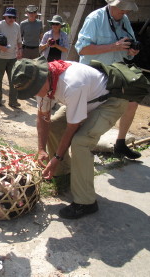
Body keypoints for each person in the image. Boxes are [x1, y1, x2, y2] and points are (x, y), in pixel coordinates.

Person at [11, 56, 131, 219]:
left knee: (81, 142)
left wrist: (57, 157)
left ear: (42, 77)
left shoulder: (71, 84)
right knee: (54, 126)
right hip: (88, 99)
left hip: (110, 102)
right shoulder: (42, 81)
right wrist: (41, 150)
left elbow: (73, 127)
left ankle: (86, 202)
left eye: (35, 90)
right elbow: (43, 117)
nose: (36, 95)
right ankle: (62, 173)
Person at [75, 0, 141, 160]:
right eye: (122, 8)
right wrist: (113, 46)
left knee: (132, 103)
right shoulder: (95, 18)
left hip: (116, 71)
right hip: (93, 72)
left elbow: (127, 48)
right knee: (90, 110)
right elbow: (82, 49)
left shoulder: (124, 20)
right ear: (112, 3)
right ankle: (81, 148)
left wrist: (131, 51)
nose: (124, 12)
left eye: (127, 9)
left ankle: (120, 144)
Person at [0, 7, 22, 108]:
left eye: (13, 17)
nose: (11, 19)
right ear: (5, 16)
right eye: (9, 17)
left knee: (14, 80)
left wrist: (20, 49)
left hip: (12, 57)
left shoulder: (17, 26)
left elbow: (19, 40)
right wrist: (1, 47)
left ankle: (13, 101)